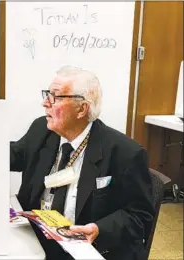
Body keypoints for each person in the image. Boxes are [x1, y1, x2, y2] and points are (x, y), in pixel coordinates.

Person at [10, 66, 155, 260]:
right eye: (47, 94)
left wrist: (99, 230)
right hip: (38, 241)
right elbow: (12, 155)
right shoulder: (41, 130)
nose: (45, 103)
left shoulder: (125, 154)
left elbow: (140, 216)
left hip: (87, 250)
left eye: (56, 96)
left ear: (82, 109)